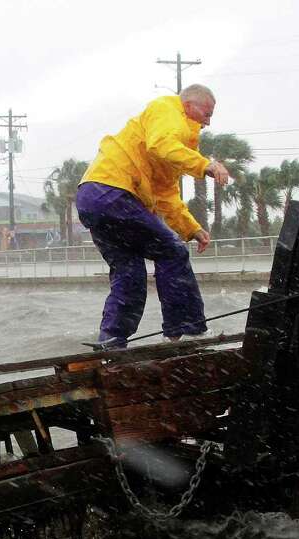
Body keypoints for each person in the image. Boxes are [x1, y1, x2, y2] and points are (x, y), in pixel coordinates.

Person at [76, 84, 231, 348]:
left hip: (92, 199)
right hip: (113, 192)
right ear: (189, 105)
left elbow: (165, 194)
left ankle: (112, 342)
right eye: (207, 113)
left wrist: (191, 228)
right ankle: (185, 331)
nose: (208, 121)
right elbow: (162, 143)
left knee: (130, 272)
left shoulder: (173, 144)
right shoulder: (166, 109)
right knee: (172, 251)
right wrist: (205, 164)